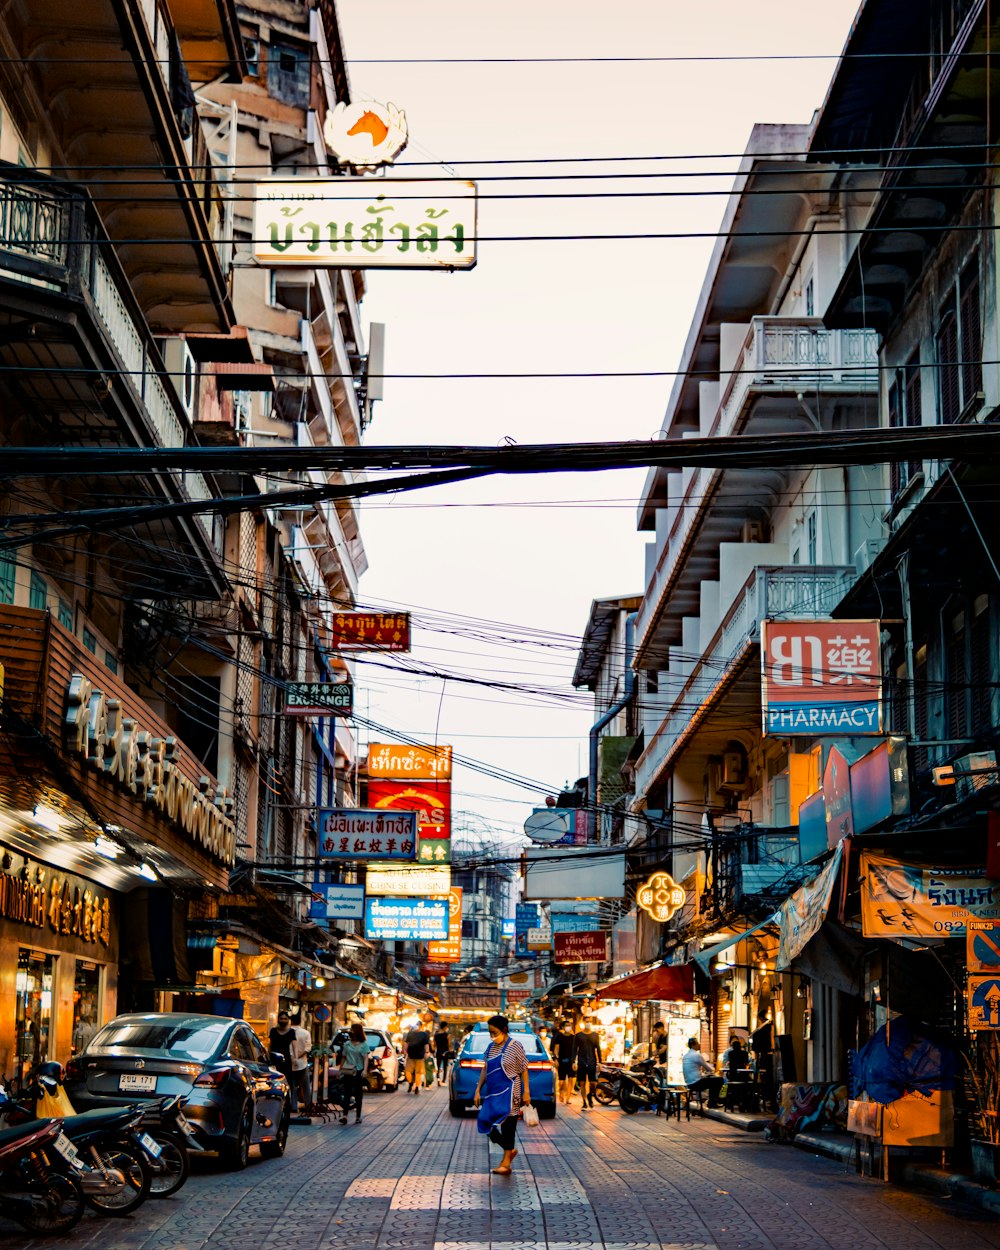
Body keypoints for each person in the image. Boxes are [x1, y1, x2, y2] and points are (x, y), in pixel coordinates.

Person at [473, 1014, 530, 1175]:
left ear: (504, 1030)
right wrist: (478, 1090)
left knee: (508, 1126)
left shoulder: (515, 1046)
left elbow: (524, 1068)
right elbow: (485, 1068)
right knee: (484, 1120)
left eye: (494, 1032)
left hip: (511, 1091)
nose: (492, 1036)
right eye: (490, 1032)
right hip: (493, 1093)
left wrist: (526, 1092)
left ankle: (506, 1163)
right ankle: (509, 1149)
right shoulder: (491, 1047)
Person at [337, 1022, 372, 1124]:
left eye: (352, 1030)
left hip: (358, 1071)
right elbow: (343, 1057)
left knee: (358, 1094)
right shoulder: (347, 1044)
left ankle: (358, 1116)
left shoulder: (363, 1045)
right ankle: (345, 1116)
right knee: (347, 1093)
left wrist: (365, 1070)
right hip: (348, 1071)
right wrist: (340, 1070)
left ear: (357, 1031)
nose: (350, 1032)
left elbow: (366, 1058)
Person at [682, 1037, 724, 1108]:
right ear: (693, 1045)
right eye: (697, 1043)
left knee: (712, 1081)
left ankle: (711, 1102)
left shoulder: (686, 1055)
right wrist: (714, 1070)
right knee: (719, 1080)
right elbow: (709, 1068)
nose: (699, 1044)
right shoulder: (696, 1055)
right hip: (696, 1083)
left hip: (689, 1083)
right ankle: (712, 1103)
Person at [573, 1018, 601, 1110]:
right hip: (581, 1061)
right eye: (586, 1022)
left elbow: (598, 1048)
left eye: (590, 1022)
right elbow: (574, 1049)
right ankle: (584, 1102)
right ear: (583, 1023)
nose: (588, 1023)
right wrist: (573, 1061)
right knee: (582, 1083)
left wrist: (600, 1062)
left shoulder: (595, 1035)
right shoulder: (578, 1036)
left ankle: (590, 1095)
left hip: (592, 1061)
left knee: (593, 1083)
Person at [290, 1016, 312, 1112]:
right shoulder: (305, 1033)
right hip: (302, 1063)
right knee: (306, 1086)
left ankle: (293, 1107)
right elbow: (308, 1048)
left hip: (290, 1063)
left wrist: (293, 1057)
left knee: (292, 1086)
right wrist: (298, 1056)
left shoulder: (288, 1032)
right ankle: (308, 1106)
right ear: (300, 1021)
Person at [551, 1020, 575, 1104]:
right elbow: (556, 1049)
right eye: (567, 1025)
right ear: (563, 1027)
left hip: (571, 1062)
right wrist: (556, 1059)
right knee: (561, 1081)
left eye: (570, 1025)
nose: (568, 1027)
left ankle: (568, 1098)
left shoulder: (573, 1037)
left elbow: (576, 1050)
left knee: (571, 1079)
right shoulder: (559, 1037)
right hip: (562, 1061)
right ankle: (561, 1093)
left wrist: (575, 1061)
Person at [404, 1021, 432, 1093]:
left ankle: (416, 1087)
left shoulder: (424, 1034)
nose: (416, 1026)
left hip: (420, 1056)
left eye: (418, 1024)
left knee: (418, 1073)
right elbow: (406, 1043)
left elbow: (426, 1044)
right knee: (407, 1071)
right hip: (411, 1055)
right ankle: (410, 1083)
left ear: (420, 1026)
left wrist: (426, 1052)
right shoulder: (410, 1034)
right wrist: (404, 1051)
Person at [268, 1011, 295, 1080]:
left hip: (286, 1061)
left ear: (288, 1020)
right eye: (281, 1018)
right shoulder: (273, 1031)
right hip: (274, 1060)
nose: (283, 1020)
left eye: (285, 1019)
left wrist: (294, 1059)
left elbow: (294, 1046)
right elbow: (270, 1045)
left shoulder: (291, 1032)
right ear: (278, 1019)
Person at [434, 1021, 451, 1086]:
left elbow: (434, 1044)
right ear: (445, 1027)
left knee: (438, 1066)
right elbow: (449, 1045)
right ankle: (443, 1080)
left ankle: (438, 1078)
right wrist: (450, 1053)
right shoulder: (447, 1035)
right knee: (445, 1066)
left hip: (438, 1051)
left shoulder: (436, 1034)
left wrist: (434, 1051)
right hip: (445, 1052)